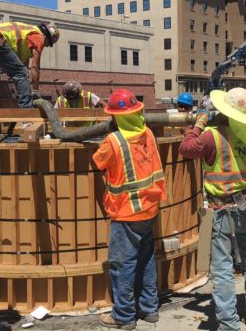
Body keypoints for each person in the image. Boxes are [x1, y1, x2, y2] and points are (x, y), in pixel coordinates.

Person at [180, 87, 246, 331]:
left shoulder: (212, 136)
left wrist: (198, 123)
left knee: (222, 269)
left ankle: (229, 324)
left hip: (222, 209)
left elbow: (186, 149)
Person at [92, 89, 167, 330]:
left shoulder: (113, 141)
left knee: (122, 265)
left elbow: (98, 162)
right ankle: (149, 309)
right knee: (146, 260)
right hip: (149, 209)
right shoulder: (148, 133)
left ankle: (123, 317)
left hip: (126, 214)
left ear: (116, 117)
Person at [0, 21, 60, 109]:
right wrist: (35, 91)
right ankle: (26, 110)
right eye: (48, 43)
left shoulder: (25, 38)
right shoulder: (38, 36)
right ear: (46, 36)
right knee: (22, 73)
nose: (45, 46)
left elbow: (22, 67)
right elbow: (34, 66)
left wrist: (22, 90)